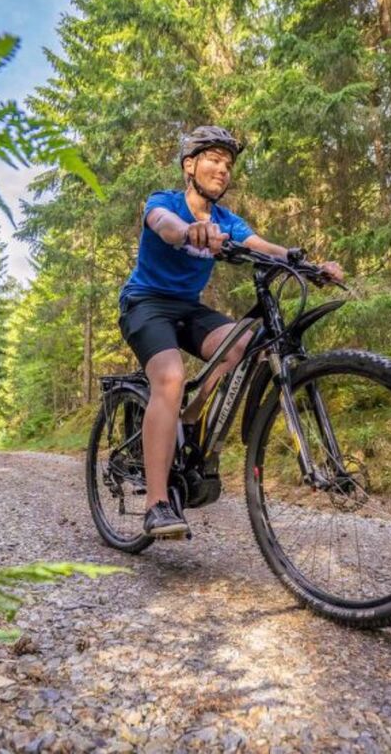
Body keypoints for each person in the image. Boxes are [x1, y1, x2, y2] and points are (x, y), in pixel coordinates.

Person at [118, 125, 345, 538]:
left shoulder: (226, 220)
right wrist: (188, 231)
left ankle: (190, 416)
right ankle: (156, 504)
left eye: (228, 164)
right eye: (214, 160)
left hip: (188, 308)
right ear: (190, 166)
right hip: (145, 303)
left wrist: (307, 265)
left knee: (244, 341)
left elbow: (261, 245)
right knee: (170, 377)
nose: (223, 169)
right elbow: (164, 225)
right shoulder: (163, 202)